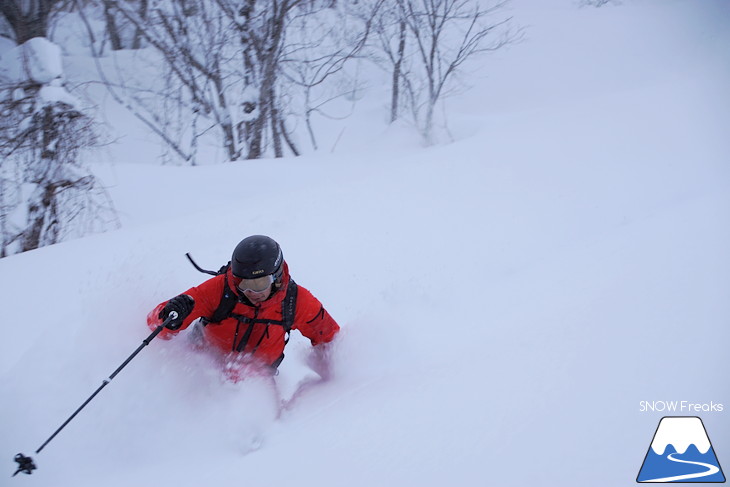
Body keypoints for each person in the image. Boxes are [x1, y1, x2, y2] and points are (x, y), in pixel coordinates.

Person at [147, 235, 339, 381]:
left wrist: (337, 373)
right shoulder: (221, 289)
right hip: (201, 372)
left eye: (259, 284)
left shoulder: (296, 301)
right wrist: (170, 316)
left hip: (255, 383)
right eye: (243, 283)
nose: (251, 291)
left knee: (246, 383)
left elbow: (330, 338)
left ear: (277, 276)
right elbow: (158, 327)